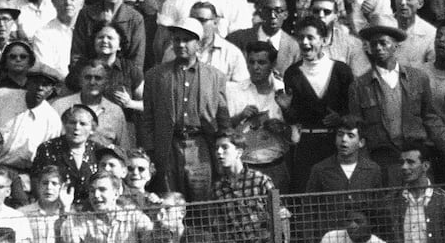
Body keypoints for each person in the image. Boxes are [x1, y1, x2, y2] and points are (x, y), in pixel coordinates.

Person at [141, 18, 232, 198]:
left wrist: (224, 148)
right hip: (168, 145)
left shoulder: (215, 76)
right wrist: (151, 152)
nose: (181, 44)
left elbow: (223, 118)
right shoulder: (155, 76)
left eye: (187, 39)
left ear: (198, 43)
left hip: (200, 145)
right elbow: (147, 118)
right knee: (169, 201)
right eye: (176, 39)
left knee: (202, 199)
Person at [349, 23, 445, 182]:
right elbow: (357, 127)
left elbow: (430, 118)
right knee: (388, 204)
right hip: (381, 159)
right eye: (374, 44)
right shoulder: (359, 85)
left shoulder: (418, 78)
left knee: (421, 201)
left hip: (415, 155)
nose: (378, 48)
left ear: (395, 45)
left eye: (383, 43)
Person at [282, 11, 356, 192]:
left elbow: (353, 111)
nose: (305, 43)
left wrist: (340, 119)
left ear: (323, 40)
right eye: (301, 38)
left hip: (335, 145)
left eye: (310, 37)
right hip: (306, 147)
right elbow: (294, 118)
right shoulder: (292, 73)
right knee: (307, 196)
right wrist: (285, 108)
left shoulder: (341, 71)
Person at [301, 116, 383, 243]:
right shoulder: (320, 169)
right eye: (340, 135)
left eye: (350, 136)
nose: (343, 140)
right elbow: (309, 209)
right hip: (329, 241)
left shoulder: (373, 170)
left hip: (362, 241)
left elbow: (378, 210)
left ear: (361, 142)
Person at [207, 129, 277, 243]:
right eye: (217, 148)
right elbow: (219, 228)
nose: (219, 152)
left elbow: (281, 217)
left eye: (225, 147)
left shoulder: (260, 180)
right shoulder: (217, 189)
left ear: (239, 152)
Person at [228, 40, 292, 189]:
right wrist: (239, 117)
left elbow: (295, 133)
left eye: (261, 62)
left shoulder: (284, 90)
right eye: (251, 62)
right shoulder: (234, 91)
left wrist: (281, 127)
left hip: (275, 165)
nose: (255, 67)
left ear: (272, 64)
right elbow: (224, 129)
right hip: (246, 166)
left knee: (278, 210)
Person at [71, 0, 147, 72]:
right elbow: (77, 55)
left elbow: (136, 61)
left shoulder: (135, 19)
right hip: (89, 77)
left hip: (122, 79)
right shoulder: (86, 14)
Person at [53, 59, 133, 149]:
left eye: (98, 78)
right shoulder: (60, 106)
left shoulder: (115, 112)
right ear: (80, 80)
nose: (92, 82)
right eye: (88, 77)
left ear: (106, 83)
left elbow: (123, 150)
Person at [31, 0, 81, 77]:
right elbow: (45, 69)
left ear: (81, 3)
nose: (68, 3)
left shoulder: (89, 32)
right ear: (53, 3)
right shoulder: (43, 34)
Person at [390, 0, 437, 69]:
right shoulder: (381, 24)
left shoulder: (431, 34)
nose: (403, 2)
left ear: (420, 3)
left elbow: (431, 70)